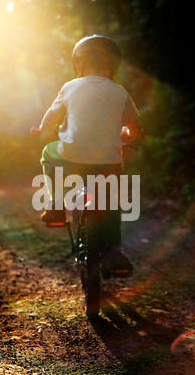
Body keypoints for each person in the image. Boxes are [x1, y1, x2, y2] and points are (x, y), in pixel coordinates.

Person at [31, 35, 145, 272]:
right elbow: (136, 130)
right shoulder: (120, 92)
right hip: (108, 162)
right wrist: (130, 137)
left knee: (47, 153)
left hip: (71, 157)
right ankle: (115, 255)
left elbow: (51, 116)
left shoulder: (70, 86)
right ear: (113, 66)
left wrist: (42, 130)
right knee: (111, 203)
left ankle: (56, 206)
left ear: (79, 65)